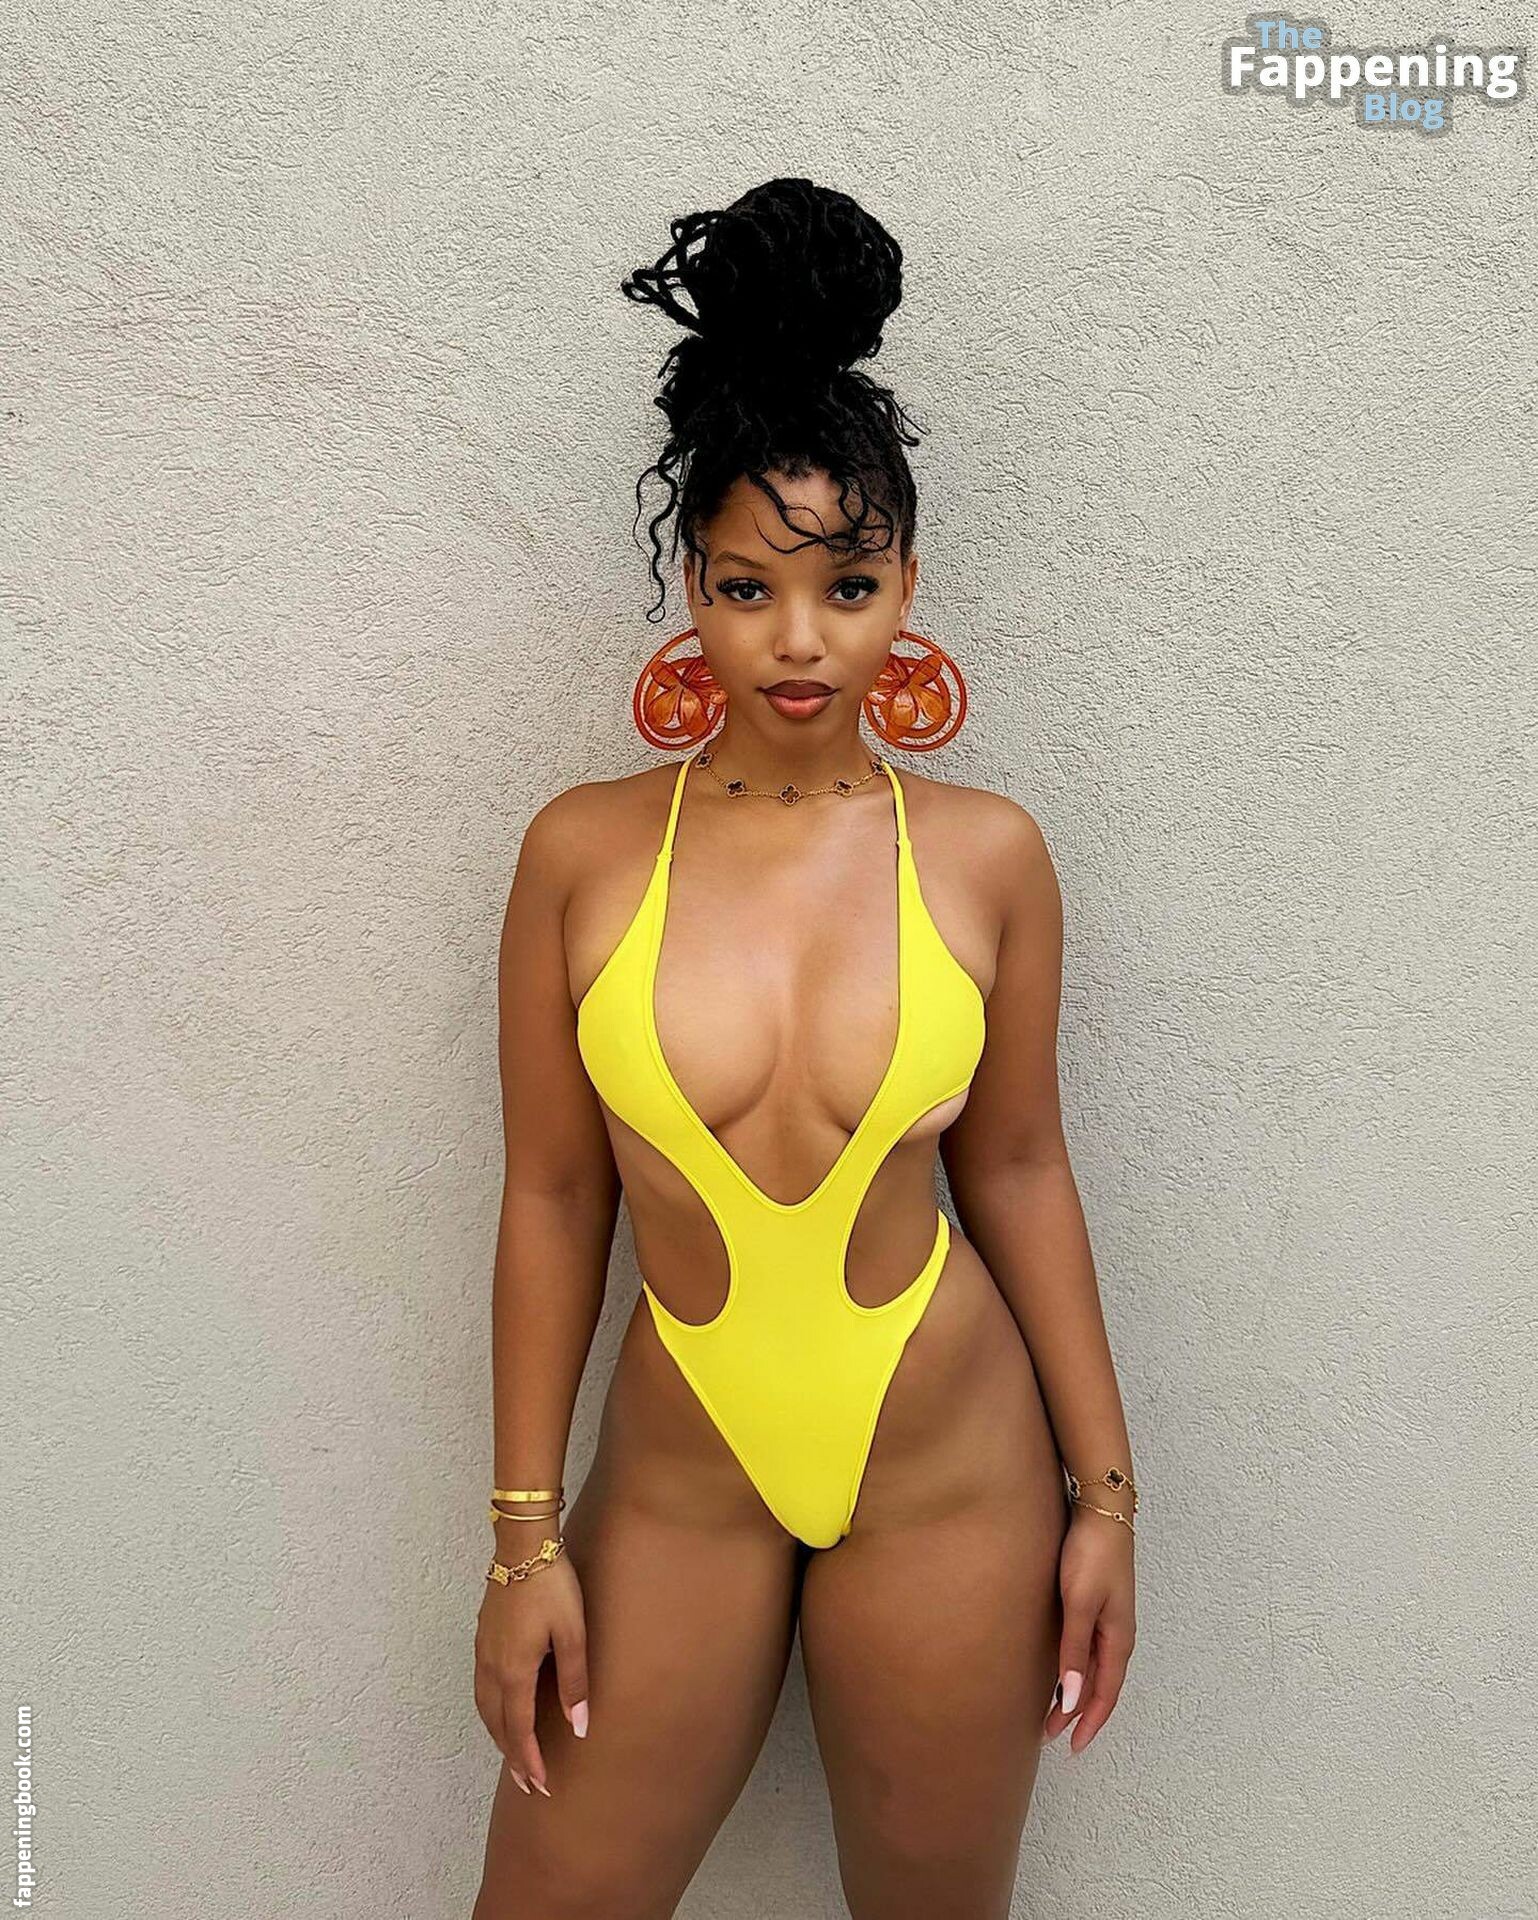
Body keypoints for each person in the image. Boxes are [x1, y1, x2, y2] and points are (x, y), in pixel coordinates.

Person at [471, 177, 1138, 1920]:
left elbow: (1017, 1168)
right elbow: (553, 1199)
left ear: (904, 582)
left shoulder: (987, 857)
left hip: (952, 1469)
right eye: (745, 585)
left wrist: (1107, 1501)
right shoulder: (581, 852)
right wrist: (524, 1542)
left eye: (846, 584)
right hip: (679, 1477)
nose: (796, 639)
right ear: (689, 585)